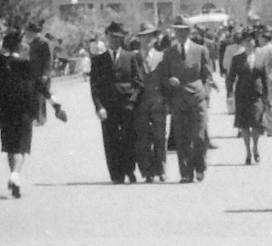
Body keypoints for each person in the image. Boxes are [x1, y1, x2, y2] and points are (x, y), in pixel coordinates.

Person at [156, 19, 214, 183]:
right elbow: (163, 76)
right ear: (174, 32)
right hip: (179, 98)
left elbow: (208, 75)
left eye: (184, 31)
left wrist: (205, 93)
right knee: (182, 138)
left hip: (197, 97)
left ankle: (200, 166)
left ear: (189, 32)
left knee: (199, 136)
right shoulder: (169, 52)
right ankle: (186, 172)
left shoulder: (200, 50)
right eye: (177, 31)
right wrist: (169, 81)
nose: (181, 34)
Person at [91, 22, 143, 184]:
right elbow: (95, 86)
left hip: (127, 104)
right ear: (107, 38)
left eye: (117, 38)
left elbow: (139, 82)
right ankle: (116, 174)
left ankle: (129, 170)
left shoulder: (130, 57)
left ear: (122, 40)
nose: (114, 41)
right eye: (111, 38)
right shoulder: (99, 60)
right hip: (108, 106)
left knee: (129, 139)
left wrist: (132, 102)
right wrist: (99, 106)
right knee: (110, 139)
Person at [0, 30, 36, 197]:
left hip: (4, 109)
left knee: (10, 147)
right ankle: (15, 175)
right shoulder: (25, 64)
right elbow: (37, 84)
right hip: (23, 110)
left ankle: (14, 176)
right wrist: (55, 104)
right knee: (21, 147)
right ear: (19, 44)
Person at [133, 23, 169, 182]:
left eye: (150, 36)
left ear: (155, 39)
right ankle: (147, 171)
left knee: (160, 137)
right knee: (142, 139)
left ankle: (161, 169)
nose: (147, 39)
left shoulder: (162, 57)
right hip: (140, 104)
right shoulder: (134, 57)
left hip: (158, 103)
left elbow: (166, 80)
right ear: (139, 39)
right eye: (143, 36)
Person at [232, 30, 269, 165]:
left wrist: (267, 95)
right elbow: (231, 76)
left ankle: (255, 147)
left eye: (251, 41)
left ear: (255, 42)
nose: (249, 43)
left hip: (257, 95)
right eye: (246, 41)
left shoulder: (261, 58)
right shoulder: (237, 58)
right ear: (242, 43)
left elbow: (265, 78)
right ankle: (248, 152)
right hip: (242, 95)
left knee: (257, 124)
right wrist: (229, 92)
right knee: (245, 125)